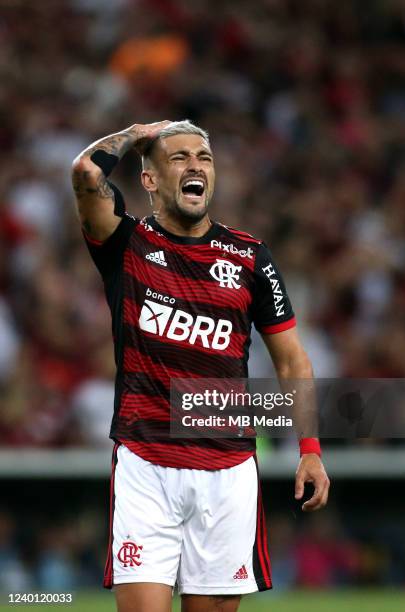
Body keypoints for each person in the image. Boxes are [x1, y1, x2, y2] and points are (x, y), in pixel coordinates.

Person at [71, 120, 330, 612]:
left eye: (204, 158)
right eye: (179, 157)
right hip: (146, 465)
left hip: (228, 473)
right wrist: (137, 133)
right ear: (149, 180)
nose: (195, 166)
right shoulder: (125, 244)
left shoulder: (251, 258)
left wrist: (310, 449)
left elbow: (292, 359)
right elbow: (86, 170)